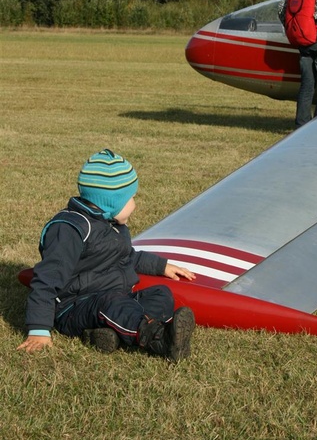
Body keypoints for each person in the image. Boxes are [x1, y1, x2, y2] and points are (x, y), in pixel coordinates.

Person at [17, 149, 196, 361]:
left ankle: (111, 334)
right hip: (75, 307)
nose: (135, 204)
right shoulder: (70, 230)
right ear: (111, 202)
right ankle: (158, 338)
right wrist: (38, 330)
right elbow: (47, 279)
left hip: (115, 297)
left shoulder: (111, 225)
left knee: (161, 293)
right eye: (132, 198)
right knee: (112, 304)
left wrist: (161, 266)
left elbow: (128, 256)